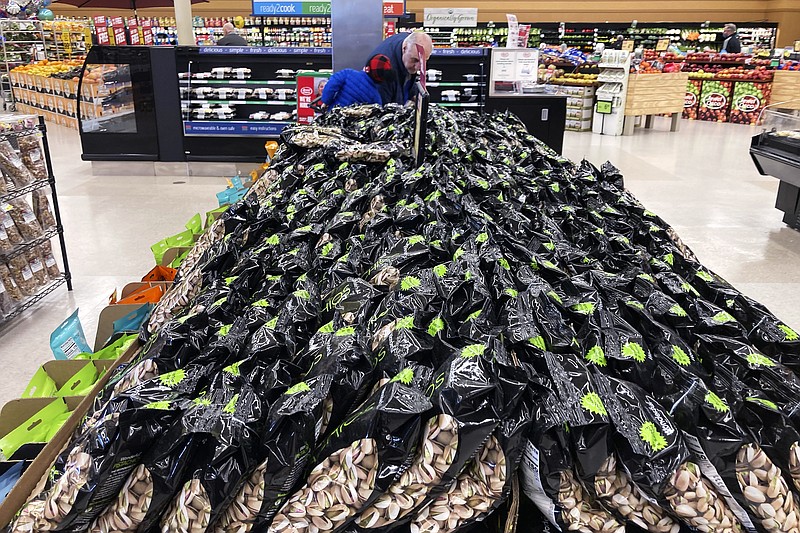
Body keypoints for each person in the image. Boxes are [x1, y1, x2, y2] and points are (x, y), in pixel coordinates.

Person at [364, 31, 433, 105]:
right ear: (404, 48)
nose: (418, 67)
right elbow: (382, 110)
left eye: (424, 61)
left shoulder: (410, 43)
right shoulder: (383, 69)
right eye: (415, 60)